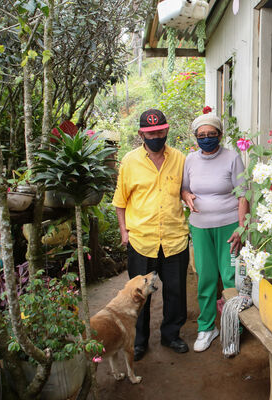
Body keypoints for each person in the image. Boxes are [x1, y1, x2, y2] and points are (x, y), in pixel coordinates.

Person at [112, 109, 190, 361]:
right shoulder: (129, 162)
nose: (156, 136)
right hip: (141, 239)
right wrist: (124, 231)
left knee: (176, 291)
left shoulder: (180, 158)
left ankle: (171, 335)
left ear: (166, 130)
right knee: (139, 294)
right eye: (150, 132)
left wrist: (186, 195)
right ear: (141, 134)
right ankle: (139, 341)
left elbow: (184, 190)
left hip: (174, 237)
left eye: (159, 131)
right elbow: (120, 201)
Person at [181, 111, 249, 352]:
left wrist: (241, 229)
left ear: (220, 135)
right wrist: (186, 196)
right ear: (196, 137)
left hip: (229, 227)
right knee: (206, 278)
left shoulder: (232, 157)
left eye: (211, 134)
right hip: (200, 228)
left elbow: (243, 195)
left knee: (231, 278)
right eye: (202, 135)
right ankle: (207, 327)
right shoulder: (189, 160)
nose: (207, 138)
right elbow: (184, 189)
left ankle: (234, 329)